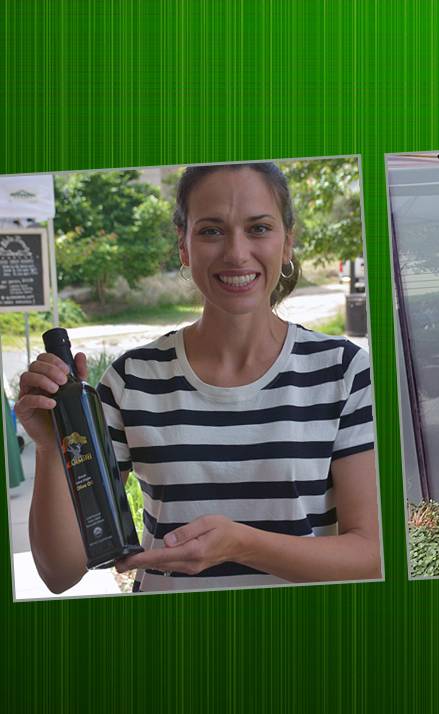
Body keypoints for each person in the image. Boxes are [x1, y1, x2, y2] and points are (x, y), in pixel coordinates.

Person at [16, 162, 381, 593]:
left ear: (287, 243)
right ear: (184, 247)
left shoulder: (343, 371)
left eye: (259, 228)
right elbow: (61, 572)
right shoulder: (132, 381)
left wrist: (243, 545)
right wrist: (49, 446)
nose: (236, 253)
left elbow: (371, 555)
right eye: (211, 231)